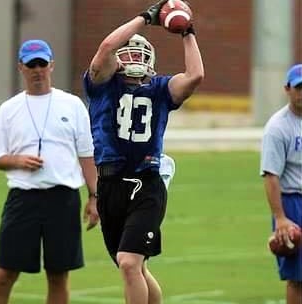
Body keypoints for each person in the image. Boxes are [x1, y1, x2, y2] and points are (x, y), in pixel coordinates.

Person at [83, 0, 204, 302]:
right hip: (110, 184)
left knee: (129, 262)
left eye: (141, 52)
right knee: (134, 268)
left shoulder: (160, 89)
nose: (135, 57)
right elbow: (107, 46)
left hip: (146, 183)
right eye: (129, 52)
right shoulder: (102, 85)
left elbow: (195, 75)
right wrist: (146, 18)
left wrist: (187, 31)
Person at [0, 39, 99, 304]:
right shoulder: (8, 110)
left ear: (51, 66)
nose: (37, 70)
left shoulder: (72, 105)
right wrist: (18, 161)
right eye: (31, 64)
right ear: (21, 68)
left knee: (58, 275)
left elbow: (87, 154)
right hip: (23, 199)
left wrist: (94, 197)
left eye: (42, 64)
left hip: (63, 198)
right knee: (5, 273)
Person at [260, 63, 302, 304]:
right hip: (292, 202)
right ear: (287, 89)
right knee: (297, 276)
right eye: (299, 88)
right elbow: (271, 175)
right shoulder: (278, 128)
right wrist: (281, 218)